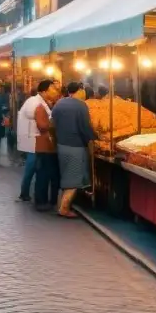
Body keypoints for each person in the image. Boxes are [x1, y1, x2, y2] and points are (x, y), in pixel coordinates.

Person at [51, 82, 95, 218]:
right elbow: (85, 127)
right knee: (74, 179)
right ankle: (63, 209)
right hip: (75, 146)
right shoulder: (81, 105)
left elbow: (52, 124)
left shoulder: (59, 103)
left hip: (61, 145)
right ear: (79, 90)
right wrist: (93, 139)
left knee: (66, 177)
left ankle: (61, 205)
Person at [32, 81, 60, 212]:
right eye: (52, 89)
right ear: (43, 91)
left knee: (47, 174)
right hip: (43, 146)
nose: (54, 91)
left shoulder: (47, 106)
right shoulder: (40, 107)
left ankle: (45, 200)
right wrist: (53, 125)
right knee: (43, 175)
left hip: (49, 146)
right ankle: (40, 201)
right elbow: (42, 126)